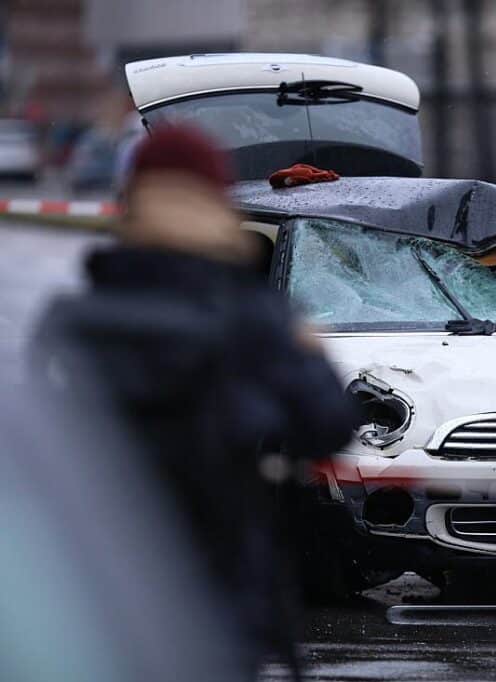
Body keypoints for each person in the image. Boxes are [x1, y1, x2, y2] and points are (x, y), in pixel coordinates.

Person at [32, 124, 360, 678]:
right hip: (220, 610)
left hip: (98, 609)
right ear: (216, 201)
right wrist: (306, 350)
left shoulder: (72, 322)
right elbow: (330, 424)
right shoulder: (253, 318)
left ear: (130, 202)